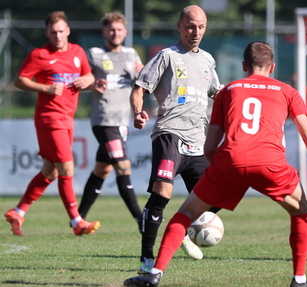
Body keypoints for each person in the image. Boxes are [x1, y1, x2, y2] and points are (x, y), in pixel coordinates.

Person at [124, 41, 307, 287]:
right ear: (273, 66)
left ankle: (154, 274)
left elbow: (210, 146)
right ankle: (299, 280)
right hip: (270, 163)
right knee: (301, 211)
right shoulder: (288, 91)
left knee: (185, 213)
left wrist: (222, 172)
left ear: (244, 65)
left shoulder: (228, 91)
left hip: (230, 160)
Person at [129, 5, 224, 273]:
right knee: (162, 192)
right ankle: (146, 259)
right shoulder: (166, 56)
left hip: (199, 138)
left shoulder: (207, 59)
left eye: (201, 27)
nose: (196, 32)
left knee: (214, 198)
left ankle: (180, 227)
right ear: (180, 26)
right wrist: (137, 112)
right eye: (191, 26)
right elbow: (139, 87)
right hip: (170, 133)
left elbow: (217, 92)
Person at [4, 11, 99, 236]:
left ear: (68, 31)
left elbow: (90, 77)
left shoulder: (77, 52)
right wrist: (45, 88)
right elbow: (20, 80)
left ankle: (18, 211)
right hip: (49, 118)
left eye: (61, 31)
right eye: (53, 32)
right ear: (48, 33)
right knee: (66, 167)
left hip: (68, 118)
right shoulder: (39, 54)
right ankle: (76, 221)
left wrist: (89, 80)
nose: (57, 35)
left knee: (51, 171)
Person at [77, 11, 144, 231]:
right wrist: (92, 83)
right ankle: (140, 219)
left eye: (119, 30)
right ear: (104, 32)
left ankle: (78, 219)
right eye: (111, 29)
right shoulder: (94, 54)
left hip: (122, 122)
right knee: (123, 166)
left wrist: (142, 73)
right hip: (104, 120)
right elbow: (80, 79)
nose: (115, 33)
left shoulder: (131, 54)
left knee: (101, 170)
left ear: (125, 32)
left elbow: (143, 78)